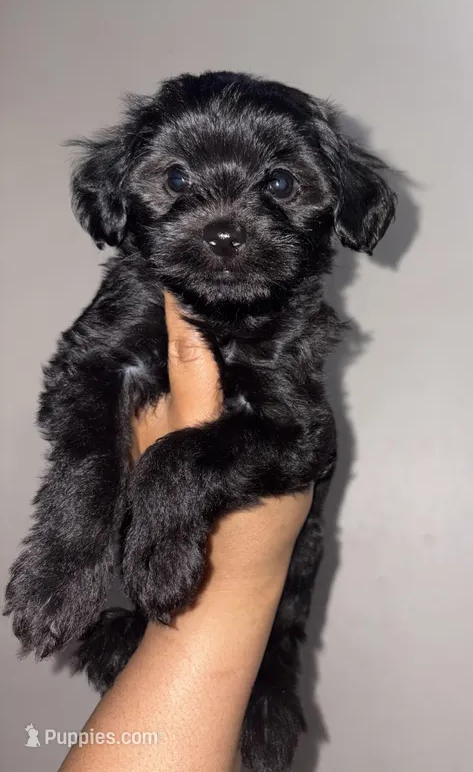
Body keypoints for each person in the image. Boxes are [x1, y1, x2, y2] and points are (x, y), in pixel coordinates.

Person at [60, 293, 313, 772]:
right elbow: (77, 383)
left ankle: (271, 670)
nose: (225, 227)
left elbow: (301, 438)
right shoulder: (129, 306)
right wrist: (70, 543)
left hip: (262, 591)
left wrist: (174, 479)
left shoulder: (287, 323)